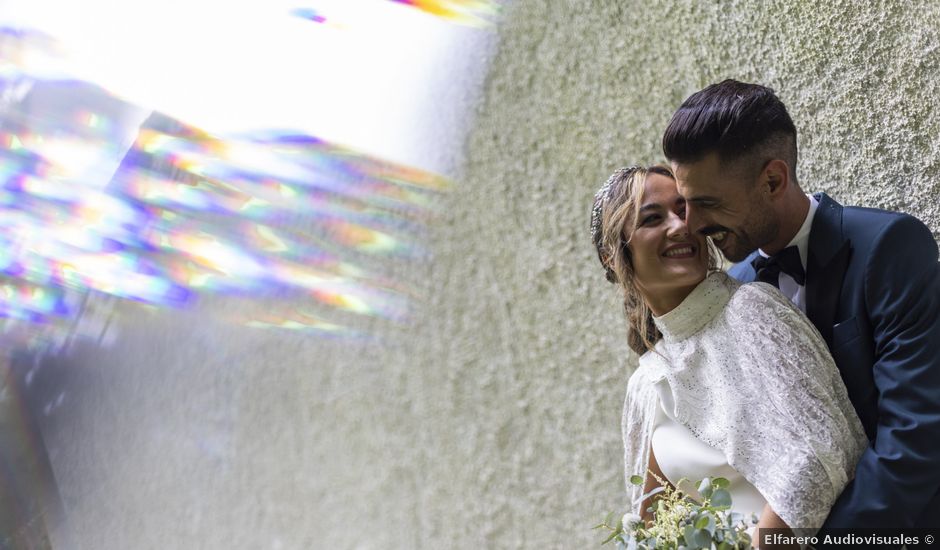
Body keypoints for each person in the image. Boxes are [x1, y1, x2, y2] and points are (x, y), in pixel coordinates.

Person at [662, 79, 940, 530]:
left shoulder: (888, 247)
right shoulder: (732, 293)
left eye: (706, 204)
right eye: (684, 204)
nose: (690, 227)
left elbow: (916, 439)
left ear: (773, 180)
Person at [591, 165, 867, 541]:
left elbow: (822, 456)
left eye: (683, 209)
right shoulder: (644, 388)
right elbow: (651, 526)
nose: (681, 226)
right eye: (653, 218)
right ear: (613, 255)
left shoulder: (751, 311)